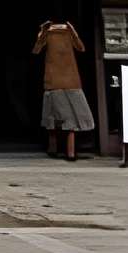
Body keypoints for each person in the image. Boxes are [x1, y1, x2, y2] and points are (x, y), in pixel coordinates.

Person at [33, 18, 93, 160]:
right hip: (65, 81)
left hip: (59, 81)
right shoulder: (56, 33)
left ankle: (57, 149)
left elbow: (36, 50)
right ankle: (67, 152)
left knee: (54, 117)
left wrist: (43, 32)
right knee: (66, 118)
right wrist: (44, 32)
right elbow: (81, 47)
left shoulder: (56, 33)